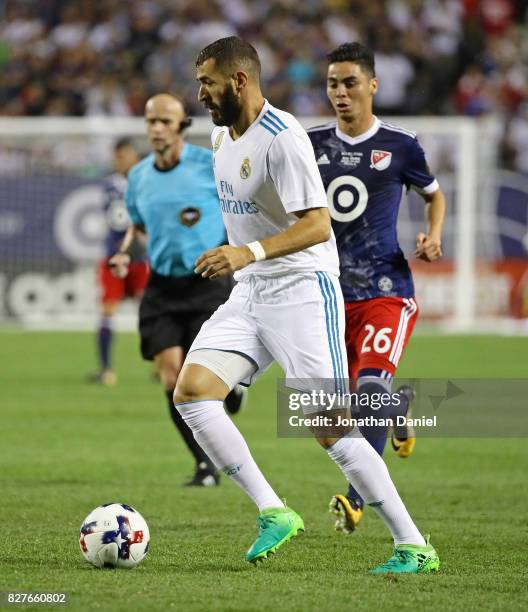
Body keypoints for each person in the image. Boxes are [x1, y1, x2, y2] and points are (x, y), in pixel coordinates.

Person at [173, 36, 439, 573]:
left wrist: (244, 252)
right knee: (193, 392)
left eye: (207, 81)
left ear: (239, 80)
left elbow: (318, 225)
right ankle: (274, 511)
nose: (199, 93)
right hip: (251, 290)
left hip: (300, 289)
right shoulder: (222, 132)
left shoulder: (283, 136)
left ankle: (413, 545)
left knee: (330, 426)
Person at [307, 42, 446, 534]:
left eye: (349, 83)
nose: (340, 93)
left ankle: (354, 499)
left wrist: (434, 236)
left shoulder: (402, 145)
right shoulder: (310, 144)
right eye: (332, 84)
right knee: (335, 412)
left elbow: (434, 195)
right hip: (329, 298)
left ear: (372, 85)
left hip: (387, 290)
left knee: (367, 391)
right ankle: (398, 407)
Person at [109, 93, 245, 487]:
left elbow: (239, 209)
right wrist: (123, 251)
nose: (155, 129)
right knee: (172, 380)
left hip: (207, 283)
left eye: (164, 122)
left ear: (181, 126)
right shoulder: (138, 176)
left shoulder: (209, 166)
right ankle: (204, 466)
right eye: (150, 122)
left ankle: (233, 389)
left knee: (204, 382)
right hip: (163, 287)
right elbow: (137, 224)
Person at [87, 138, 149, 387]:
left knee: (151, 312)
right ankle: (106, 369)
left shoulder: (146, 182)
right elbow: (117, 220)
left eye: (125, 155)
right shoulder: (111, 186)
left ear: (135, 157)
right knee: (107, 310)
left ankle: (161, 365)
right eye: (118, 156)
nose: (121, 160)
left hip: (141, 259)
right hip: (114, 258)